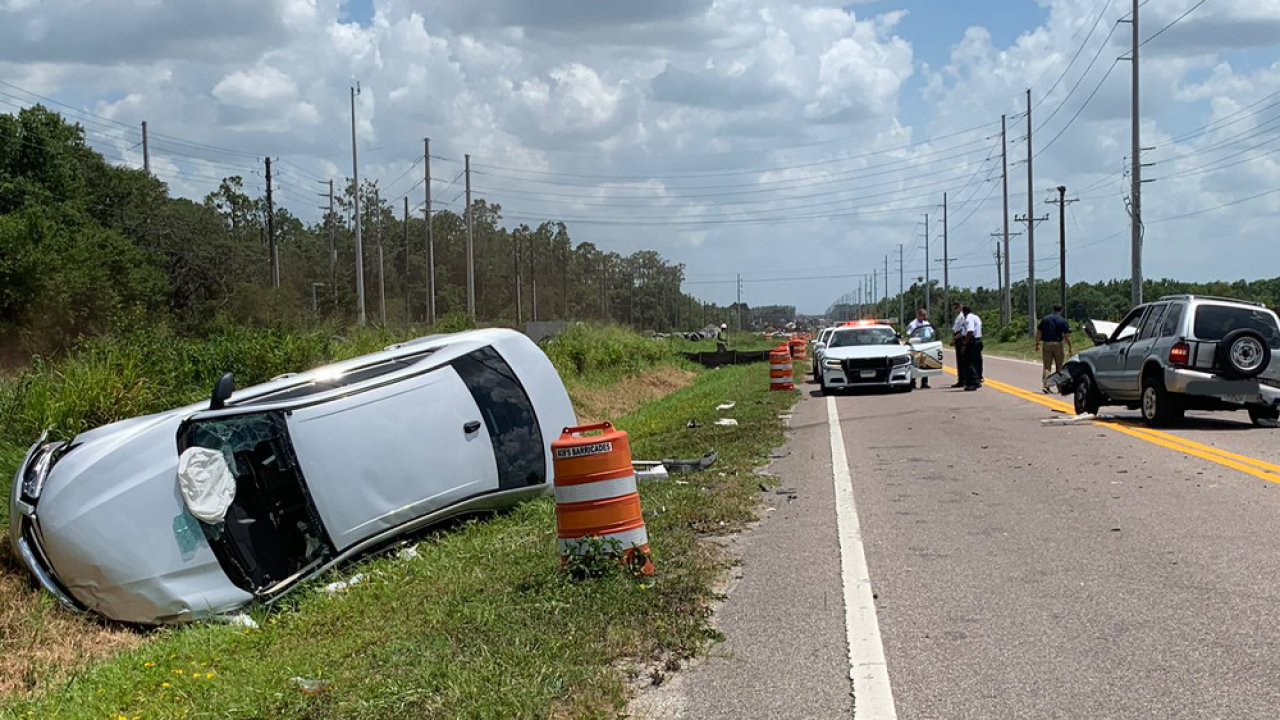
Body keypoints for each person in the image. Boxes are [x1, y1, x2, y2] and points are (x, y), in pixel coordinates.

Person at [1035, 304, 1073, 393]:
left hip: (1046, 344)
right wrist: (1070, 347)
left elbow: (1039, 333)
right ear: (1061, 310)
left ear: (1053, 309)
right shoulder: (1062, 321)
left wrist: (1037, 344)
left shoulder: (1045, 319)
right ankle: (1060, 386)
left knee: (1047, 366)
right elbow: (1067, 336)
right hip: (1058, 344)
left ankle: (1046, 385)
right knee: (1059, 366)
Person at [905, 308, 932, 389]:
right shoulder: (913, 324)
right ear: (919, 315)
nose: (924, 317)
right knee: (915, 364)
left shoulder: (926, 323)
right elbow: (909, 334)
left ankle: (924, 383)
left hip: (925, 345)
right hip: (916, 346)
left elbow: (931, 332)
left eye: (925, 315)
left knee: (925, 364)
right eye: (923, 315)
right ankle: (913, 383)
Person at [962, 305, 984, 391]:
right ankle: (978, 379)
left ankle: (973, 383)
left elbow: (970, 331)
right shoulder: (976, 317)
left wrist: (965, 343)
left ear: (964, 312)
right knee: (977, 361)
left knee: (969, 363)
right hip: (978, 341)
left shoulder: (969, 318)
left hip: (972, 342)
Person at [950, 301, 969, 388]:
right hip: (957, 337)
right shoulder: (958, 316)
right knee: (959, 360)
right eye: (954, 308)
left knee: (962, 360)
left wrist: (955, 338)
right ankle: (961, 379)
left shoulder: (962, 317)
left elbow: (962, 330)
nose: (955, 309)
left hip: (960, 338)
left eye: (956, 307)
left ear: (960, 306)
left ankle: (963, 380)